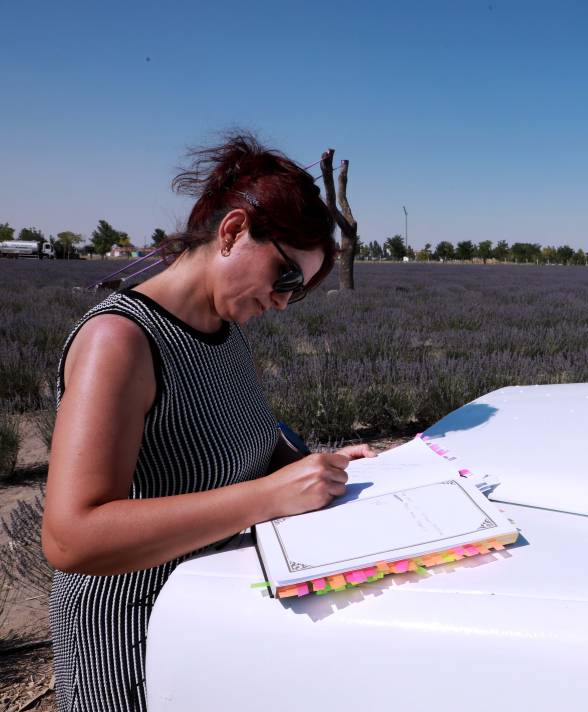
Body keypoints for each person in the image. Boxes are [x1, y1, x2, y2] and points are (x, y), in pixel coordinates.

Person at [41, 132, 373, 711]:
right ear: (233, 231)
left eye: (298, 293)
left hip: (207, 618)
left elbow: (238, 438)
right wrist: (267, 497)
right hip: (130, 639)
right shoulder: (119, 340)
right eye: (286, 277)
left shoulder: (224, 333)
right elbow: (72, 537)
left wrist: (312, 468)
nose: (282, 302)